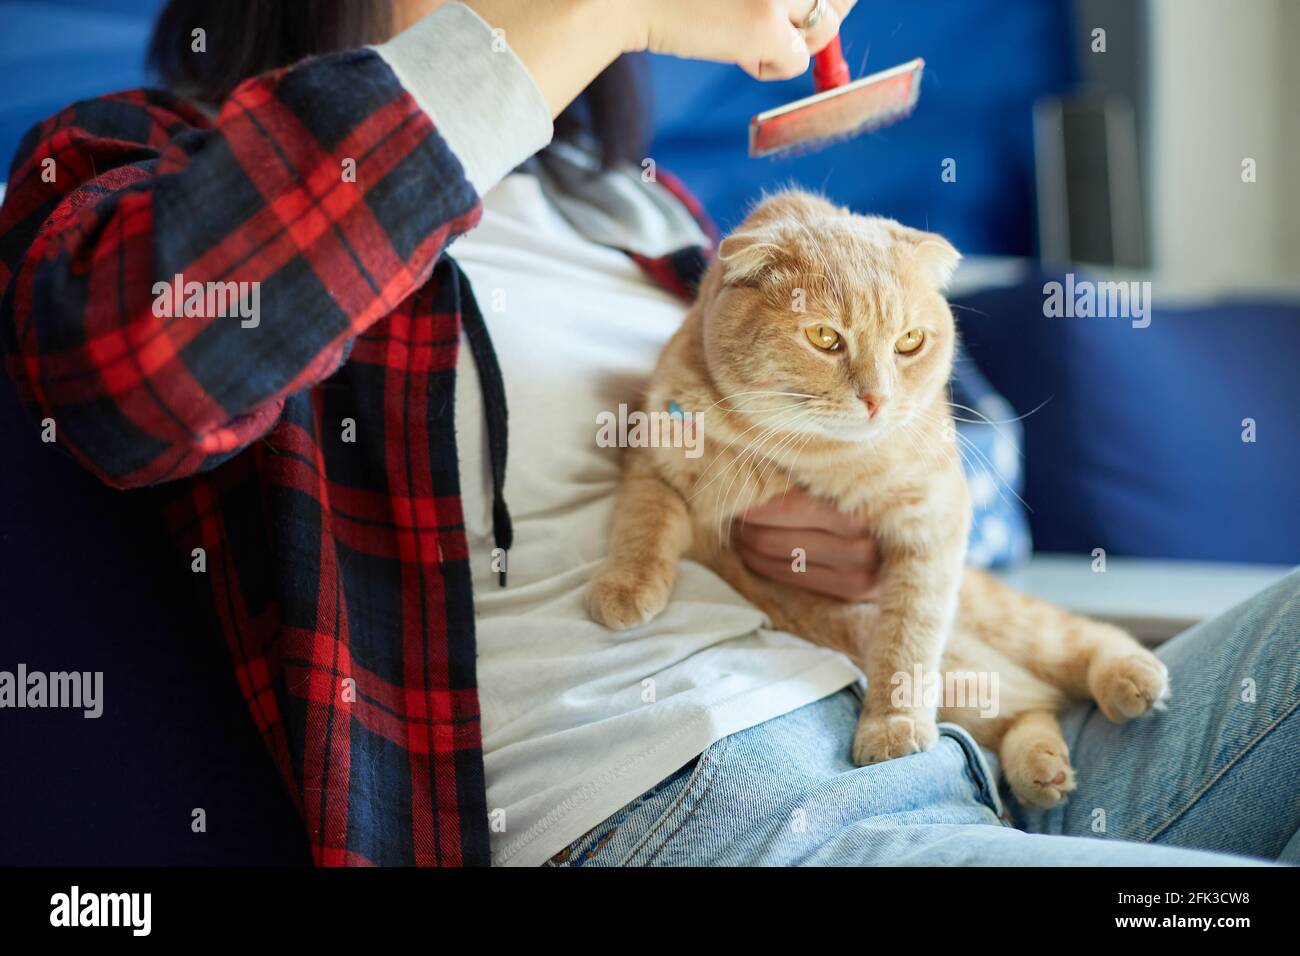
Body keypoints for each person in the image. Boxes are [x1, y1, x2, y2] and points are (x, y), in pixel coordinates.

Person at [0, 0, 1294, 867]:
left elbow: (910, 486)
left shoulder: (645, 211)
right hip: (703, 811)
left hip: (943, 754)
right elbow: (141, 378)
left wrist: (829, 543)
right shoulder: (133, 162)